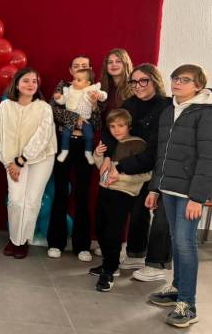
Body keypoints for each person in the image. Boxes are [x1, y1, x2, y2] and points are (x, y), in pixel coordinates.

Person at [129, 64, 212, 328]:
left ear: (198, 85)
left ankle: (188, 304)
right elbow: (163, 152)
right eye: (175, 78)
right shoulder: (170, 109)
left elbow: (211, 159)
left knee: (186, 244)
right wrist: (154, 187)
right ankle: (176, 289)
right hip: (169, 189)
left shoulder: (210, 114)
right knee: (176, 241)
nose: (177, 83)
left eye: (185, 80)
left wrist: (197, 197)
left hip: (189, 194)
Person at [98, 64, 172, 281]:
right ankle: (131, 255)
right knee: (130, 214)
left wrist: (119, 167)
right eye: (134, 81)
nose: (138, 86)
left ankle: (148, 260)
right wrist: (108, 158)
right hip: (129, 169)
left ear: (155, 81)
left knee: (150, 214)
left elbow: (154, 149)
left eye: (144, 81)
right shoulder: (130, 103)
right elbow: (112, 130)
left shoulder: (166, 107)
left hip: (153, 168)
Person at [0, 68, 56, 259]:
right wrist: (8, 162)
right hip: (12, 161)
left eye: (34, 81)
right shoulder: (4, 107)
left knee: (32, 201)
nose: (30, 84)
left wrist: (22, 159)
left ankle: (23, 241)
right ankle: (14, 238)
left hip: (41, 159)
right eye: (26, 80)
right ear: (17, 84)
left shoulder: (44, 107)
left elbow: (42, 137)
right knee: (16, 200)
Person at [89, 109, 151, 292]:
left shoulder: (138, 145)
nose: (116, 130)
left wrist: (119, 178)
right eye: (113, 126)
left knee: (113, 232)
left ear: (129, 126)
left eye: (121, 126)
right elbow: (102, 168)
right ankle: (110, 263)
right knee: (100, 227)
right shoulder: (113, 144)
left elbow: (145, 174)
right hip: (106, 190)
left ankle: (108, 272)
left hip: (123, 193)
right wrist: (98, 156)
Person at [47, 55, 101, 261]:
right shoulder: (63, 88)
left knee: (82, 194)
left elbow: (97, 122)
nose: (80, 69)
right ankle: (55, 242)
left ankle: (82, 245)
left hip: (84, 146)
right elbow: (53, 110)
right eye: (76, 66)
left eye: (84, 66)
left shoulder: (93, 90)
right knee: (60, 193)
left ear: (89, 71)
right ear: (70, 71)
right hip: (64, 144)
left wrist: (95, 107)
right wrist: (77, 119)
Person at [54, 68, 107, 164]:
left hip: (86, 120)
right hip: (70, 120)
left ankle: (88, 152)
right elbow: (63, 101)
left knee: (89, 136)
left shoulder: (91, 90)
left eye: (78, 80)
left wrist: (99, 95)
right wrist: (58, 98)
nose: (74, 82)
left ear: (87, 83)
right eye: (74, 79)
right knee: (66, 134)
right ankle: (64, 151)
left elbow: (104, 95)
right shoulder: (69, 90)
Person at [99, 48, 133, 113]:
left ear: (126, 64)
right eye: (110, 62)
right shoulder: (102, 87)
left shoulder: (134, 87)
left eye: (118, 61)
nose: (113, 64)